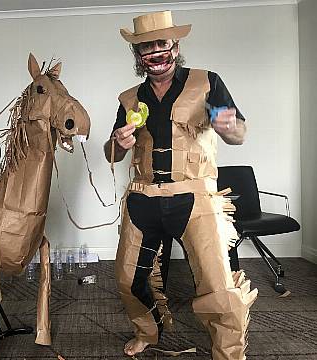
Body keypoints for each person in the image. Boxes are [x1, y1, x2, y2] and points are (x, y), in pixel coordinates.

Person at [104, 10, 258, 360]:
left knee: (217, 286)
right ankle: (147, 330)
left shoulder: (207, 81)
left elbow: (239, 135)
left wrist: (226, 124)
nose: (156, 53)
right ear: (138, 55)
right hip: (143, 199)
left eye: (162, 43)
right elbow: (111, 154)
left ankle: (229, 352)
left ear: (175, 45)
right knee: (128, 281)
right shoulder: (129, 99)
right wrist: (117, 142)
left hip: (195, 198)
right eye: (146, 47)